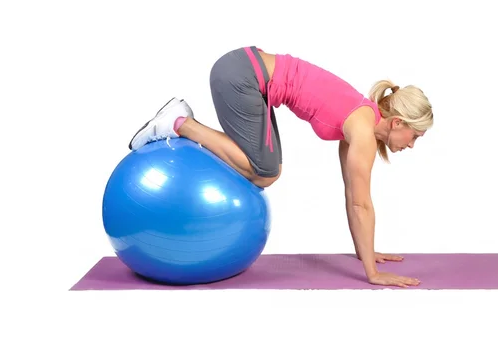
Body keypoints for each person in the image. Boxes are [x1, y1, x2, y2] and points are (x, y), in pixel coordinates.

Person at [128, 46, 434, 288]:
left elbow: (353, 195)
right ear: (397, 123)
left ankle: (182, 122)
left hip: (249, 74)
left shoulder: (359, 124)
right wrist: (373, 273)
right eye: (415, 136)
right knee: (267, 170)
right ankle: (179, 123)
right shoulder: (363, 131)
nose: (411, 145)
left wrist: (365, 254)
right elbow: (361, 204)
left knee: (266, 167)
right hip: (242, 75)